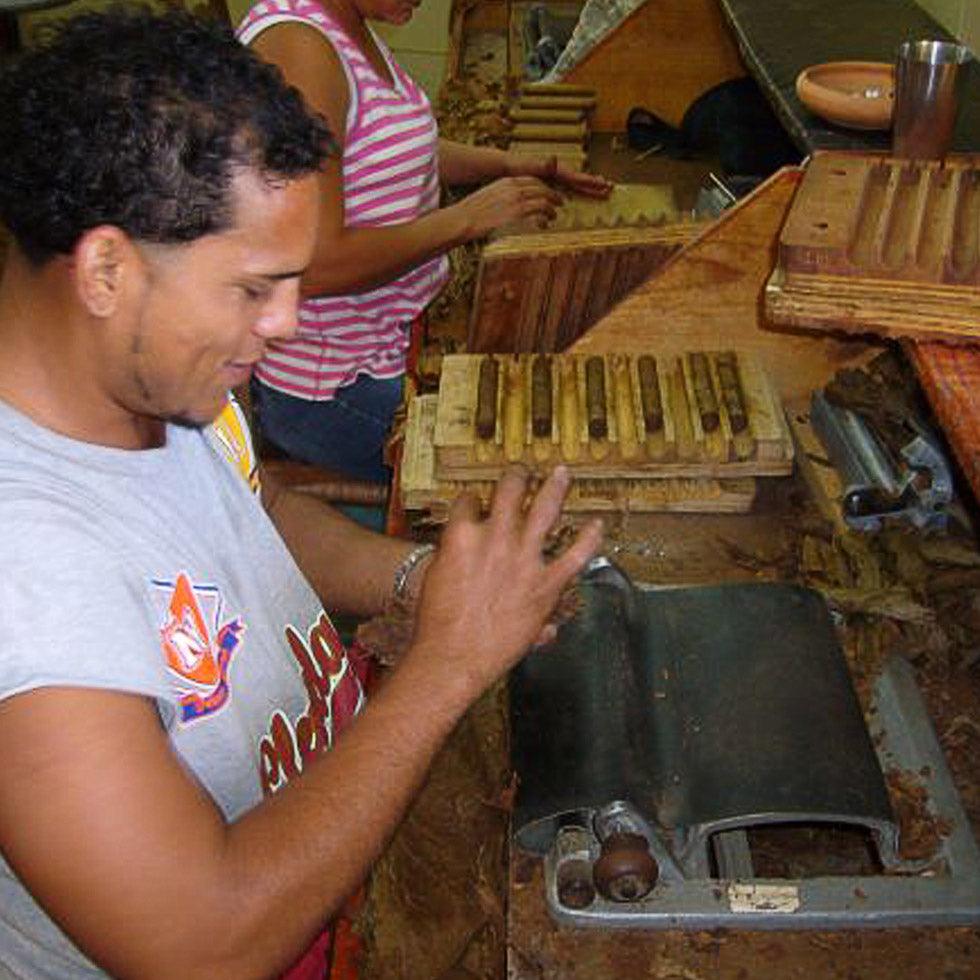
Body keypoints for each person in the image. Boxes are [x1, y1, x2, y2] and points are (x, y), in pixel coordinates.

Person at [0, 8, 602, 979]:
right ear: (106, 268)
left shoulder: (154, 382)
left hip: (316, 836)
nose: (284, 324)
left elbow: (259, 509)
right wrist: (444, 665)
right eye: (252, 288)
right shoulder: (25, 576)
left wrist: (413, 579)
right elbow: (201, 938)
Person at [237, 0, 613, 483]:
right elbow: (313, 266)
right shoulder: (298, 50)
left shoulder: (346, 26)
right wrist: (464, 220)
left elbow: (390, 147)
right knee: (532, 463)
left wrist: (506, 164)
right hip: (332, 388)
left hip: (397, 337)